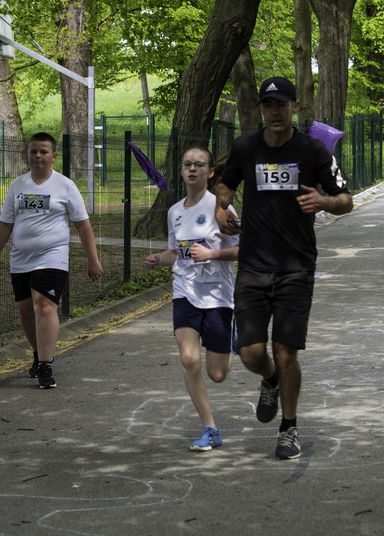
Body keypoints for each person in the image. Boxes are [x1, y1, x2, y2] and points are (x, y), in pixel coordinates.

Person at [215, 77, 353, 460]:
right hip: (253, 265)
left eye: (281, 104)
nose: (274, 112)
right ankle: (270, 378)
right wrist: (220, 208)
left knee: (286, 351)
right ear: (261, 108)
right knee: (250, 354)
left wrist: (324, 202)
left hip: (296, 266)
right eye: (268, 105)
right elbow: (225, 184)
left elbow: (346, 200)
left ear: (295, 107)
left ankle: (289, 427)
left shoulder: (312, 152)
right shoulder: (245, 147)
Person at [0, 132, 103, 389]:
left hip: (53, 255)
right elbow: (5, 224)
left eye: (43, 152)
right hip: (21, 258)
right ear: (28, 155)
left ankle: (45, 365)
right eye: (33, 152)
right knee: (26, 312)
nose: (38, 156)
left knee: (45, 306)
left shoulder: (65, 186)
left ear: (53, 156)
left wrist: (92, 259)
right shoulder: (17, 185)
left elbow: (83, 225)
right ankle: (39, 353)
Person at [145, 147, 239, 452]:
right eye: (187, 165)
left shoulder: (221, 209)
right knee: (189, 359)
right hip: (185, 291)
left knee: (217, 373)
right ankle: (210, 428)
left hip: (217, 295)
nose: (192, 169)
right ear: (182, 171)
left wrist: (212, 253)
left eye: (199, 165)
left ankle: (232, 334)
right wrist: (160, 258)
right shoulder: (174, 212)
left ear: (210, 173)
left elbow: (243, 249)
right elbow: (177, 252)